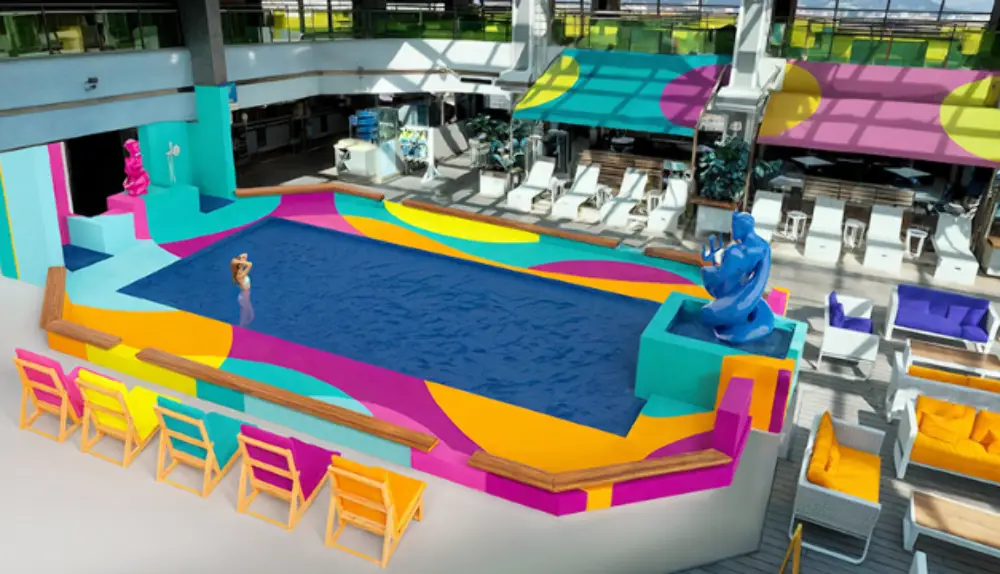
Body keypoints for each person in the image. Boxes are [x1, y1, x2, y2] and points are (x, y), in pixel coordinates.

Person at [230, 253, 254, 328]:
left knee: (250, 317)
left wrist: (240, 260)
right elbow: (250, 264)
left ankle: (243, 329)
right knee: (244, 319)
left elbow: (245, 254)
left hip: (245, 296)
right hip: (244, 297)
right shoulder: (240, 275)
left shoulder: (241, 271)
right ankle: (240, 330)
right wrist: (241, 262)